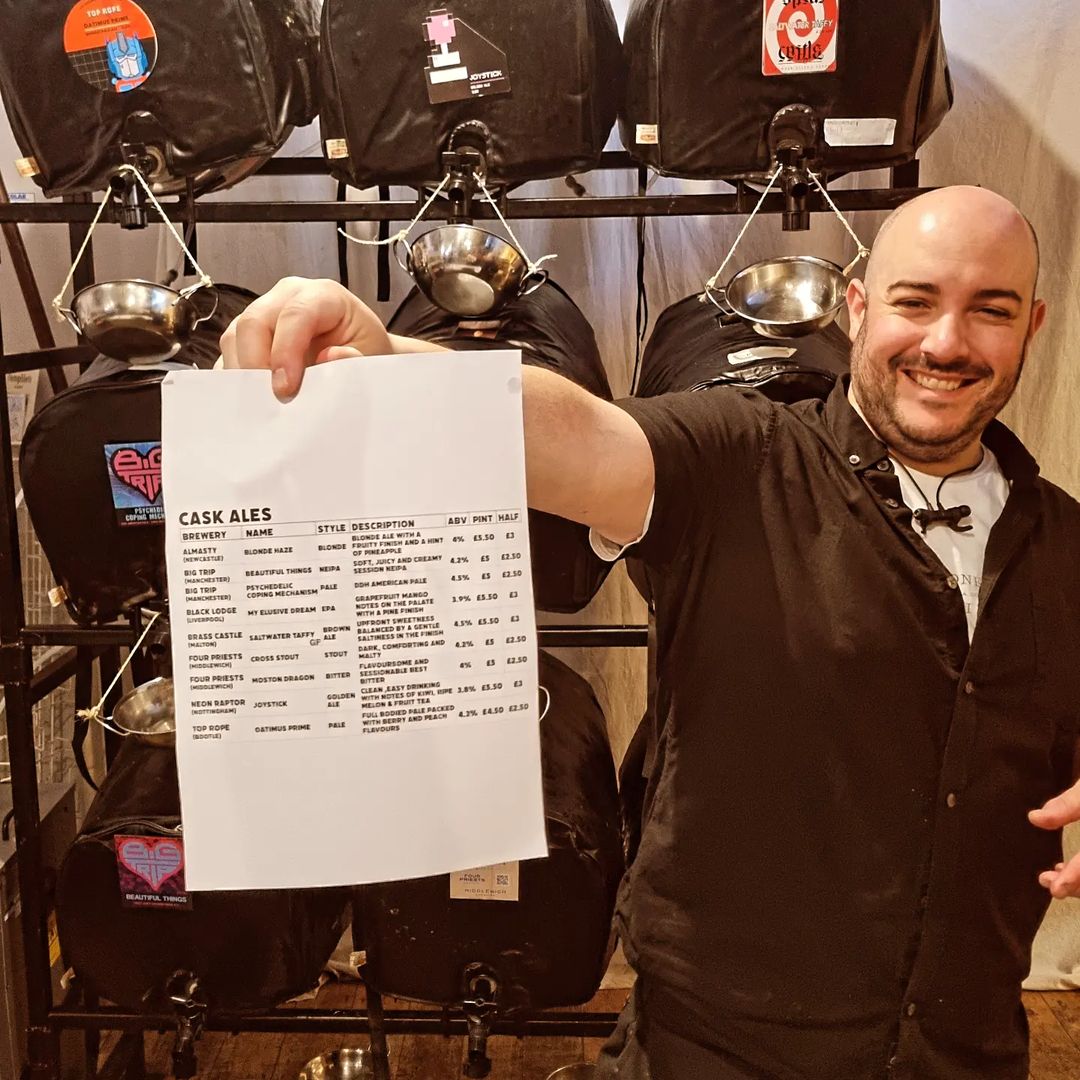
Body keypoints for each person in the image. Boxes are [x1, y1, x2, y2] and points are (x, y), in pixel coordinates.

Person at [220, 186, 1080, 1080]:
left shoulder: (1065, 546)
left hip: (965, 1054)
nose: (946, 343)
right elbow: (581, 436)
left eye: (990, 310)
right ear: (858, 310)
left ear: (1033, 324)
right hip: (713, 1053)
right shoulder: (742, 460)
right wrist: (387, 360)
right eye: (915, 301)